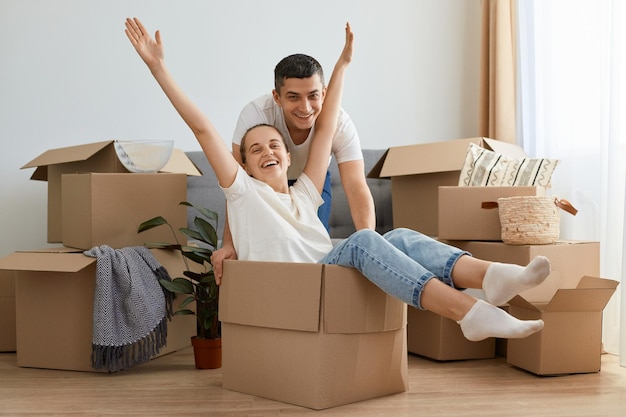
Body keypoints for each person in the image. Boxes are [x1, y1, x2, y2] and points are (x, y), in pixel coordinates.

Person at [125, 17, 548, 342]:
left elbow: (325, 130)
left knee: (392, 236)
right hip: (302, 282)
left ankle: (489, 276)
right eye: (254, 151)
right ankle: (467, 313)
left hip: (328, 270)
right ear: (244, 166)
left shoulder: (305, 193)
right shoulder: (242, 193)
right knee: (366, 241)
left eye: (274, 146)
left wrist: (344, 64)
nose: (267, 151)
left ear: (289, 157)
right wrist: (158, 69)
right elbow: (202, 129)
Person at [212, 44, 375, 281]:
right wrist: (229, 244)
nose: (305, 107)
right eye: (293, 97)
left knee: (312, 250)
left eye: (313, 96)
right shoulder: (255, 114)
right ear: (276, 97)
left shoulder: (339, 123)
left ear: (324, 93)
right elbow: (237, 188)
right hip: (264, 181)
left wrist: (368, 244)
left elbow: (356, 187)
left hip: (311, 182)